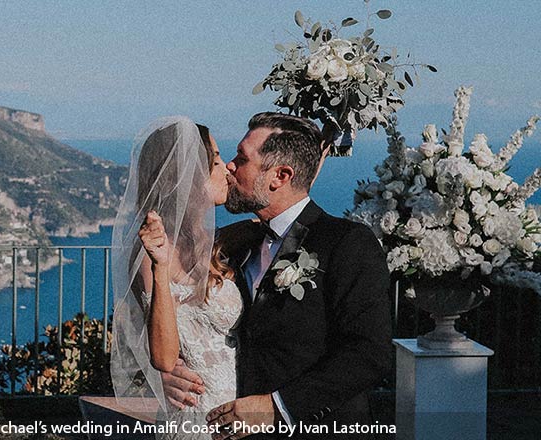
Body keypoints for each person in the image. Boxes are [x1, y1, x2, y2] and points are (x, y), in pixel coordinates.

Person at [161, 112, 392, 439]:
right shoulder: (236, 245)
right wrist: (167, 374)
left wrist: (278, 407)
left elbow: (370, 354)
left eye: (242, 159)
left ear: (280, 176)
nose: (229, 167)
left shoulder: (346, 243)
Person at [110, 116, 242, 440]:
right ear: (190, 175)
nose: (226, 168)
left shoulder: (213, 242)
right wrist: (161, 378)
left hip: (238, 413)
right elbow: (163, 356)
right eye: (216, 160)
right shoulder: (153, 254)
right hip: (197, 416)